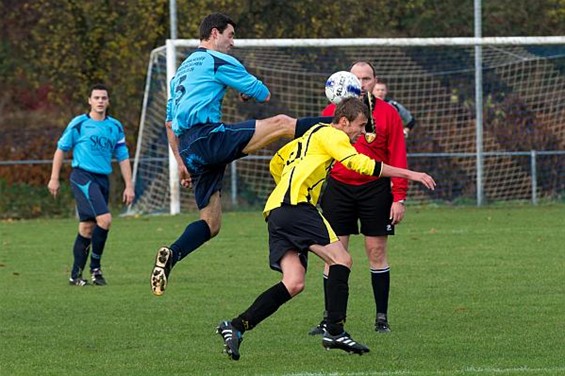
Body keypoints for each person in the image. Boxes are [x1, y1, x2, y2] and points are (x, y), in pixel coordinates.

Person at [216, 97, 436, 360]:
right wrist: (411, 174)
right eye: (360, 125)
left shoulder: (307, 137)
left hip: (276, 211)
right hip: (296, 207)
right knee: (341, 258)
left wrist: (288, 186)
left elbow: (276, 161)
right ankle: (334, 330)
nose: (362, 132)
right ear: (343, 122)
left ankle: (236, 326)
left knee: (294, 282)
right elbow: (360, 164)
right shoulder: (333, 134)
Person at [150, 12, 330, 296]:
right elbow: (263, 93)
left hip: (187, 147)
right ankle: (340, 125)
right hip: (207, 137)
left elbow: (170, 123)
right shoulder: (217, 60)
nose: (233, 42)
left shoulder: (181, 71)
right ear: (214, 33)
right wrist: (246, 91)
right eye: (230, 35)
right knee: (282, 124)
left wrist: (180, 163)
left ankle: (172, 255)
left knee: (211, 224)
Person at [309, 61, 408, 335]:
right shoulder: (330, 113)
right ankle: (331, 319)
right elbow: (317, 155)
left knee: (376, 252)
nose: (362, 83)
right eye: (356, 78)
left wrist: (398, 197)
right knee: (333, 254)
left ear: (375, 81)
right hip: (338, 189)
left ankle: (381, 317)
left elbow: (398, 155)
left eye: (366, 78)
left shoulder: (389, 114)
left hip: (375, 190)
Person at [48, 83, 135, 286]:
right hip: (83, 177)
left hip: (102, 179)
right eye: (96, 98)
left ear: (108, 101)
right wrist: (54, 177)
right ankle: (96, 269)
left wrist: (129, 185)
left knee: (87, 228)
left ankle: (75, 276)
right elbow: (61, 149)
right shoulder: (79, 124)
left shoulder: (115, 126)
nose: (100, 101)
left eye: (103, 98)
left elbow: (123, 157)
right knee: (104, 220)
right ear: (89, 100)